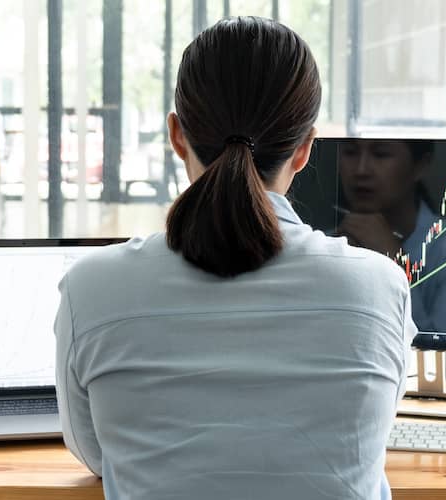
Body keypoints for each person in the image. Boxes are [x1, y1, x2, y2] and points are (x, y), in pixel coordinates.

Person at [54, 17, 416, 500]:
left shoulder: (91, 288)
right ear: (306, 148)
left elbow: (97, 455)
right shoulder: (381, 287)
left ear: (176, 136)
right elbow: (371, 437)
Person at [337, 140, 446, 334]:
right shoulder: (324, 245)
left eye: (381, 154)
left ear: (420, 165)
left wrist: (396, 263)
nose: (361, 170)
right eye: (350, 152)